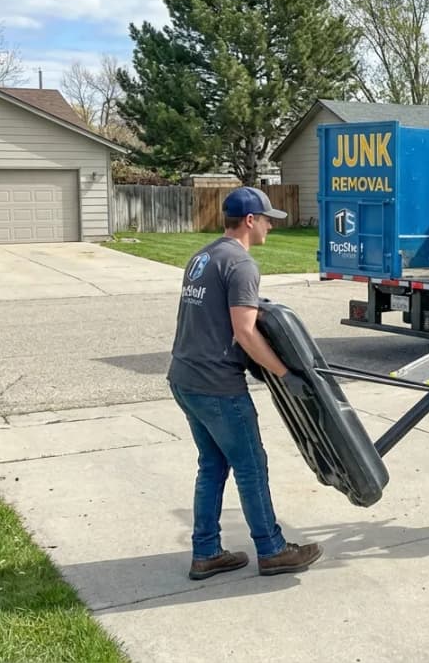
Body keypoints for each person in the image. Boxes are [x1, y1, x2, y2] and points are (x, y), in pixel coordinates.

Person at [168, 186, 323, 580]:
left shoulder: (202, 257)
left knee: (213, 465)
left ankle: (206, 552)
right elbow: (245, 331)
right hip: (216, 384)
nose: (271, 225)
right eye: (267, 218)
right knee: (251, 465)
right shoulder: (240, 264)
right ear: (250, 221)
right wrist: (285, 374)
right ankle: (271, 549)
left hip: (185, 377)